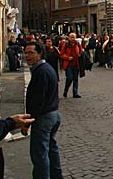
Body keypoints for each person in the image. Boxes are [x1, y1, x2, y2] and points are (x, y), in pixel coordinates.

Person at [22, 42, 63, 179]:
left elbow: (38, 100)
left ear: (40, 54)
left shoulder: (41, 71)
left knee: (40, 155)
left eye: (31, 53)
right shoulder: (45, 69)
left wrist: (27, 122)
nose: (27, 56)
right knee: (51, 149)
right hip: (53, 114)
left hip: (44, 117)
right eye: (26, 53)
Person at [59, 33, 83, 98]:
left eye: (74, 37)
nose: (73, 39)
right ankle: (66, 90)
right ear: (69, 38)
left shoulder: (77, 44)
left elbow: (81, 51)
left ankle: (75, 93)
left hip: (76, 64)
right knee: (69, 78)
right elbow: (61, 54)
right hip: (68, 64)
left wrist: (80, 54)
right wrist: (67, 57)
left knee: (75, 78)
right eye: (71, 37)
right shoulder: (66, 44)